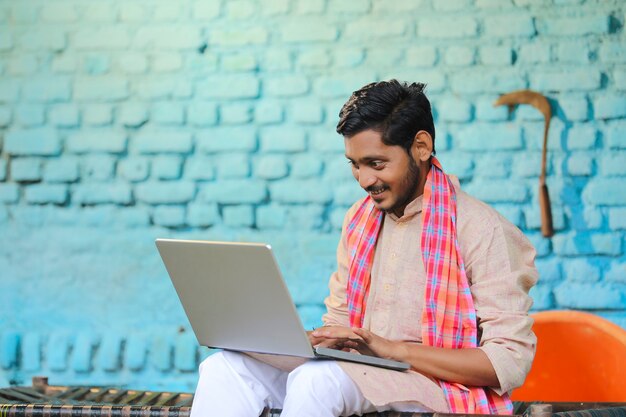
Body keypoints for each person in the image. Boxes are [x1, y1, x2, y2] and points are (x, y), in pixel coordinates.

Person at [190, 80, 538, 417]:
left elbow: (507, 363)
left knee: (316, 382)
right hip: (359, 372)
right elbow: (341, 320)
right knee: (225, 368)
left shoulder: (483, 229)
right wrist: (304, 340)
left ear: (421, 146)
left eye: (376, 163)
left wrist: (392, 350)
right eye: (355, 165)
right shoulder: (359, 219)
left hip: (436, 385)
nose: (364, 180)